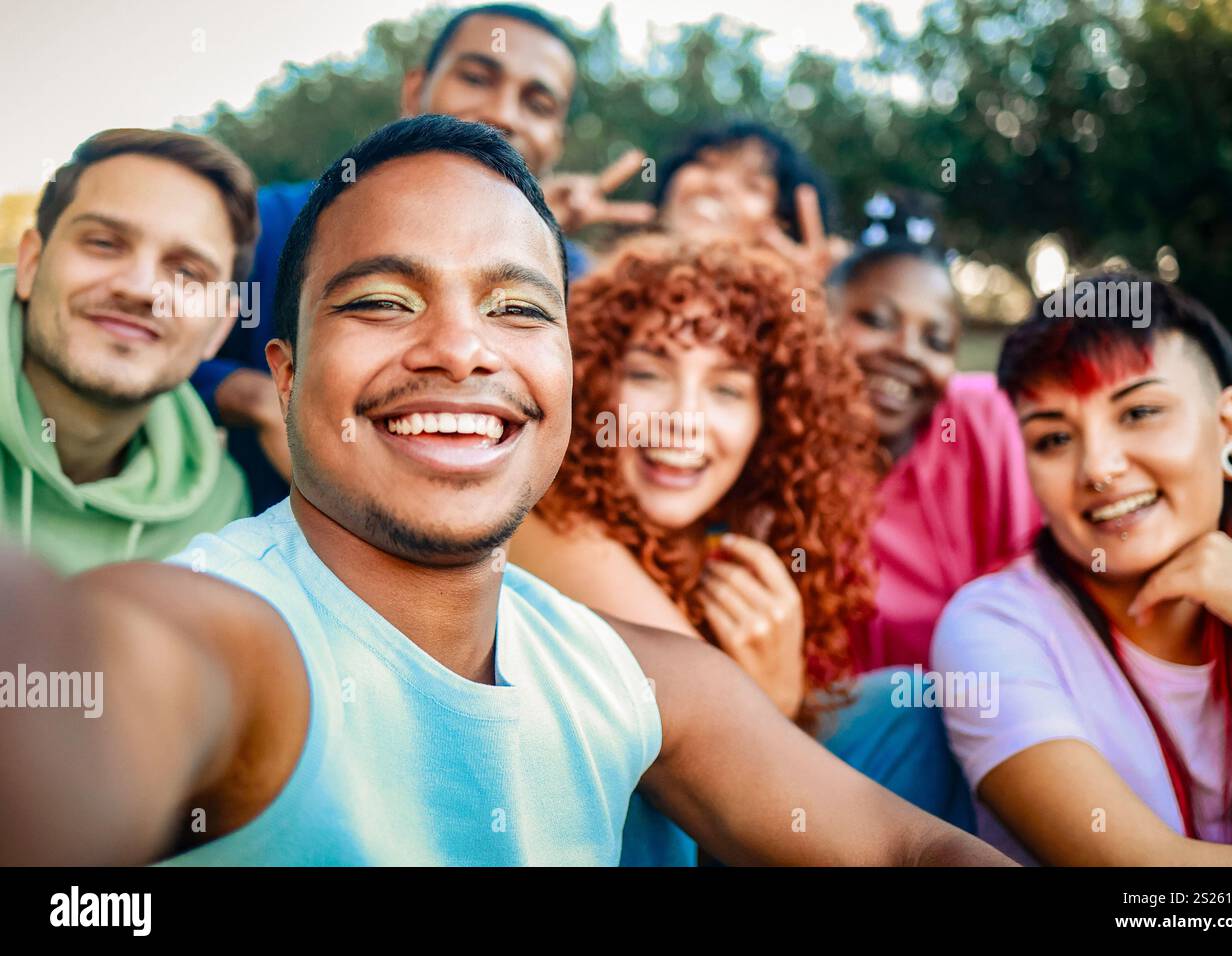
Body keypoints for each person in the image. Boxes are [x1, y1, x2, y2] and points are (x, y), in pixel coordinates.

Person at [0, 116, 1010, 868]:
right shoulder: (233, 634)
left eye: (517, 306)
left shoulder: (637, 674)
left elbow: (905, 849)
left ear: (569, 373)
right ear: (288, 374)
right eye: (384, 301)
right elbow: (102, 689)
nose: (458, 346)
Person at [510, 233, 973, 863]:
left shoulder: (732, 538)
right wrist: (774, 702)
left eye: (727, 390)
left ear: (770, 422)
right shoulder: (550, 514)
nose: (684, 418)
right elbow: (717, 746)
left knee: (909, 708)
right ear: (590, 386)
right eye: (648, 373)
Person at [198, 2, 654, 513]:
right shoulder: (274, 223)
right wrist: (250, 396)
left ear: (557, 139)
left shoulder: (583, 279)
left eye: (539, 103)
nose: (503, 112)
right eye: (478, 77)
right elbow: (140, 342)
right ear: (416, 91)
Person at [933, 274, 1232, 865]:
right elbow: (1146, 881)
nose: (1098, 468)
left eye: (1140, 412)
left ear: (1230, 426)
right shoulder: (994, 627)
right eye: (1053, 438)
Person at [0, 129, 254, 574]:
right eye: (103, 243)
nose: (140, 289)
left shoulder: (219, 512)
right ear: (30, 265)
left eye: (188, 272)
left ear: (218, 327)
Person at [827, 191, 1040, 672]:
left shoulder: (983, 418)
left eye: (936, 340)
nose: (907, 351)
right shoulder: (774, 443)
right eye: (877, 320)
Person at [654, 121, 839, 280]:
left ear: (782, 225)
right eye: (708, 165)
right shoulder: (626, 285)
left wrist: (808, 293)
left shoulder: (791, 311)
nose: (719, 184)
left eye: (752, 185)